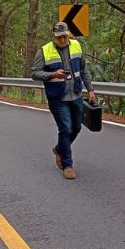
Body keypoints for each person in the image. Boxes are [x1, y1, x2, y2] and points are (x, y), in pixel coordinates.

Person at [31, 22, 96, 179]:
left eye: (65, 36)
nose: (62, 40)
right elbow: (35, 74)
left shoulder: (76, 46)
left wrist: (91, 89)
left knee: (76, 128)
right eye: (59, 37)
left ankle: (59, 149)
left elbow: (83, 70)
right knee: (65, 129)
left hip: (76, 94)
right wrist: (53, 75)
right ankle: (67, 165)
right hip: (58, 97)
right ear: (54, 36)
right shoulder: (44, 51)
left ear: (69, 35)